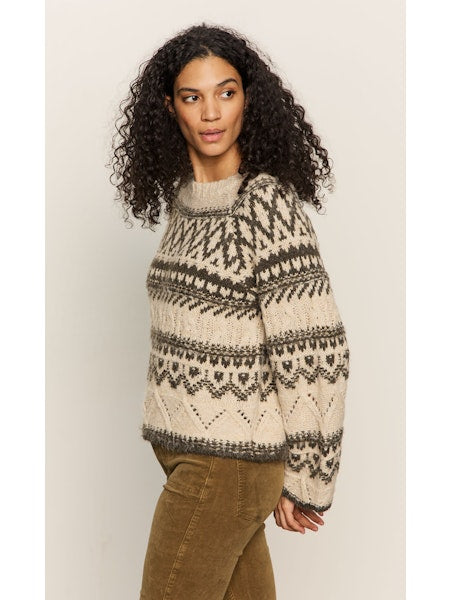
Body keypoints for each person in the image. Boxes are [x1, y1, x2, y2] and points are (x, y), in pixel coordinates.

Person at [108, 22, 350, 600]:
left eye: (227, 92)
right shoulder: (185, 203)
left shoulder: (263, 204)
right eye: (192, 97)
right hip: (191, 457)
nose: (211, 112)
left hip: (224, 464)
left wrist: (308, 474)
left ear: (249, 99)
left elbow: (315, 346)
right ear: (169, 108)